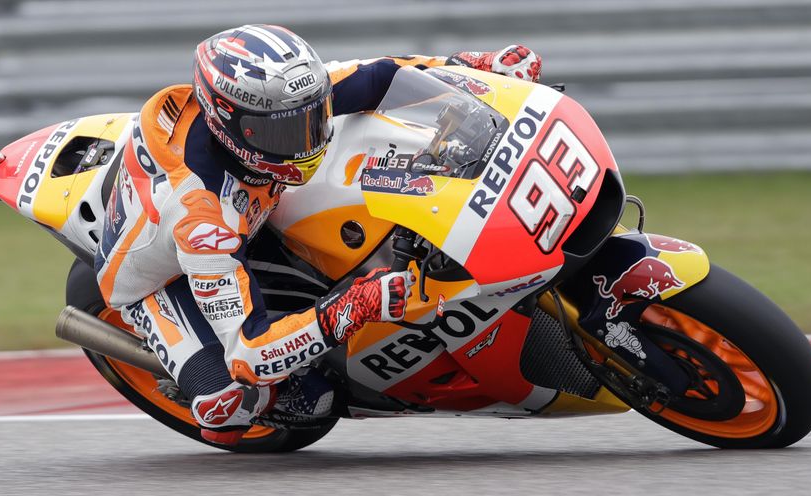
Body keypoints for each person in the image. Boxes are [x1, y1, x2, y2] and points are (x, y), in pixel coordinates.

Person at [93, 24, 542, 446]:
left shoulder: (278, 101)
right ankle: (226, 394)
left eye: (312, 117)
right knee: (233, 406)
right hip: (163, 278)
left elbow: (381, 75)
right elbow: (249, 352)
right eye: (283, 131)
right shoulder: (204, 223)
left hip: (254, 207)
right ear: (229, 125)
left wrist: (472, 66)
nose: (306, 140)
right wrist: (351, 307)